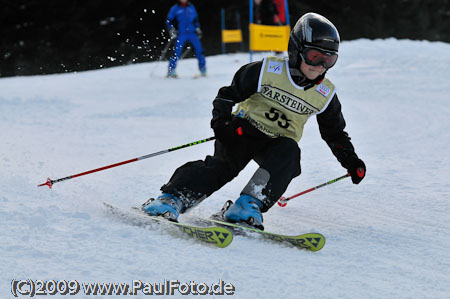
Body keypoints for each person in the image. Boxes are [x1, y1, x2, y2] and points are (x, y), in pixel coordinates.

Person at [142, 12, 366, 230]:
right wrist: (221, 122)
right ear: (297, 50)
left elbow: (334, 133)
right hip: (243, 132)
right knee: (221, 169)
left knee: (289, 156)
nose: (321, 67)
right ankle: (171, 199)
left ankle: (247, 205)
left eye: (330, 60)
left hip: (277, 143)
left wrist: (351, 161)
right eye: (315, 57)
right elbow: (226, 95)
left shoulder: (324, 94)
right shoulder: (268, 71)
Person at [165, 0, 206, 78]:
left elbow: (196, 20)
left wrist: (197, 28)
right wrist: (171, 29)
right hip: (181, 33)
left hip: (192, 33)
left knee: (200, 51)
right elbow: (168, 20)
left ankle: (203, 69)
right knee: (176, 52)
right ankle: (171, 71)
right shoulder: (175, 8)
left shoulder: (191, 7)